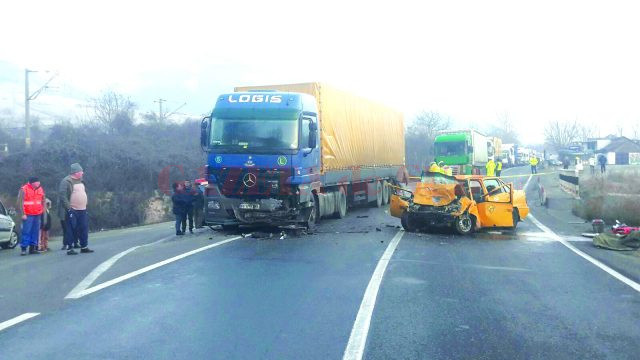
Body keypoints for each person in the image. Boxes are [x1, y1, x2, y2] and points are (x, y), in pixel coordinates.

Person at [57, 163, 94, 255]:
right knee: (71, 229)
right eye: (81, 171)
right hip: (72, 209)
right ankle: (70, 248)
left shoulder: (81, 181)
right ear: (76, 172)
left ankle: (84, 246)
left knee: (83, 228)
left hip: (83, 209)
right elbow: (63, 196)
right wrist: (69, 208)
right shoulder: (66, 181)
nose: (82, 173)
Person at [16, 177, 45, 256]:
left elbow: (43, 201)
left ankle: (33, 248)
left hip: (37, 214)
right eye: (37, 182)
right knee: (26, 231)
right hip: (28, 214)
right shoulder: (24, 189)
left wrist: (43, 211)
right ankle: (24, 248)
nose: (39, 183)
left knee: (35, 231)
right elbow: (19, 202)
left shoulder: (40, 189)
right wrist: (22, 214)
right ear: (32, 183)